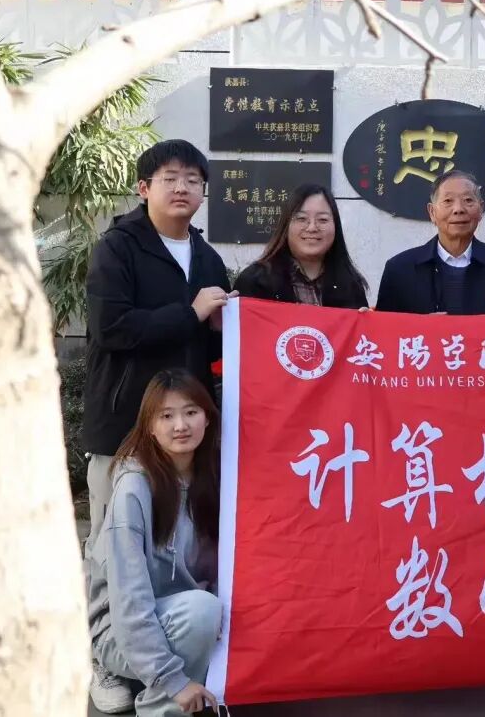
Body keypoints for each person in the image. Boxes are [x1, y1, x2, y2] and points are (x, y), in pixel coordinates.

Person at [83, 139, 231, 713]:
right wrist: (190, 314)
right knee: (111, 551)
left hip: (183, 434)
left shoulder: (207, 257)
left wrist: (222, 332)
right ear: (144, 188)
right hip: (123, 427)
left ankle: (160, 669)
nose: (182, 188)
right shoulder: (117, 248)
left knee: (175, 551)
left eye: (193, 180)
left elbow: (206, 347)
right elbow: (111, 328)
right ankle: (107, 661)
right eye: (170, 178)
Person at [89, 369, 222, 717]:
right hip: (122, 634)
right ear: (149, 425)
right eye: (166, 416)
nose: (181, 425)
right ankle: (160, 707)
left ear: (208, 417)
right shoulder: (134, 487)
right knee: (203, 611)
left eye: (191, 412)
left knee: (210, 611)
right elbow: (129, 599)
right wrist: (172, 679)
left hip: (181, 620)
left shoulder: (214, 476)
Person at [375, 170, 485, 315]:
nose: (458, 209)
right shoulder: (399, 269)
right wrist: (422, 327)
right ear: (432, 212)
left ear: (481, 209)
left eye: (468, 200)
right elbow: (384, 331)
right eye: (448, 201)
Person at [233, 183, 368, 308]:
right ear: (286, 226)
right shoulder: (254, 281)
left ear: (335, 226)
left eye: (322, 220)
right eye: (302, 219)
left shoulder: (351, 285)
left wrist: (362, 321)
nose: (312, 228)